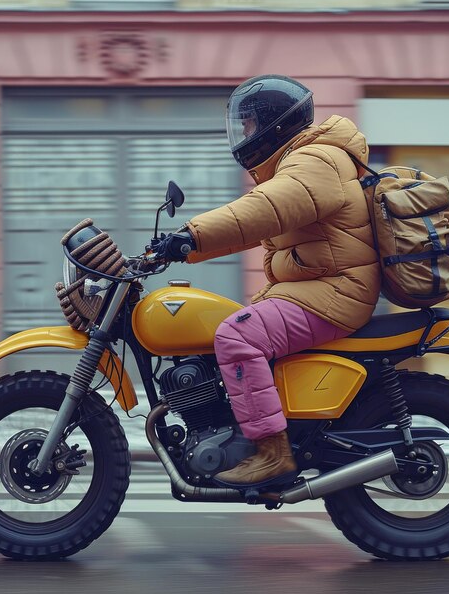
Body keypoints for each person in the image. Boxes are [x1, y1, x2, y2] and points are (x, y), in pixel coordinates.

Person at [154, 75, 380, 488]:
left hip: (335, 291)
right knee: (231, 327)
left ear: (277, 124)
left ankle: (272, 453)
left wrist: (191, 235)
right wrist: (188, 248)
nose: (243, 134)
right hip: (320, 288)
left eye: (250, 124)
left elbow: (264, 210)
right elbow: (256, 227)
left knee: (237, 337)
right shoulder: (303, 160)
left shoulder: (315, 161)